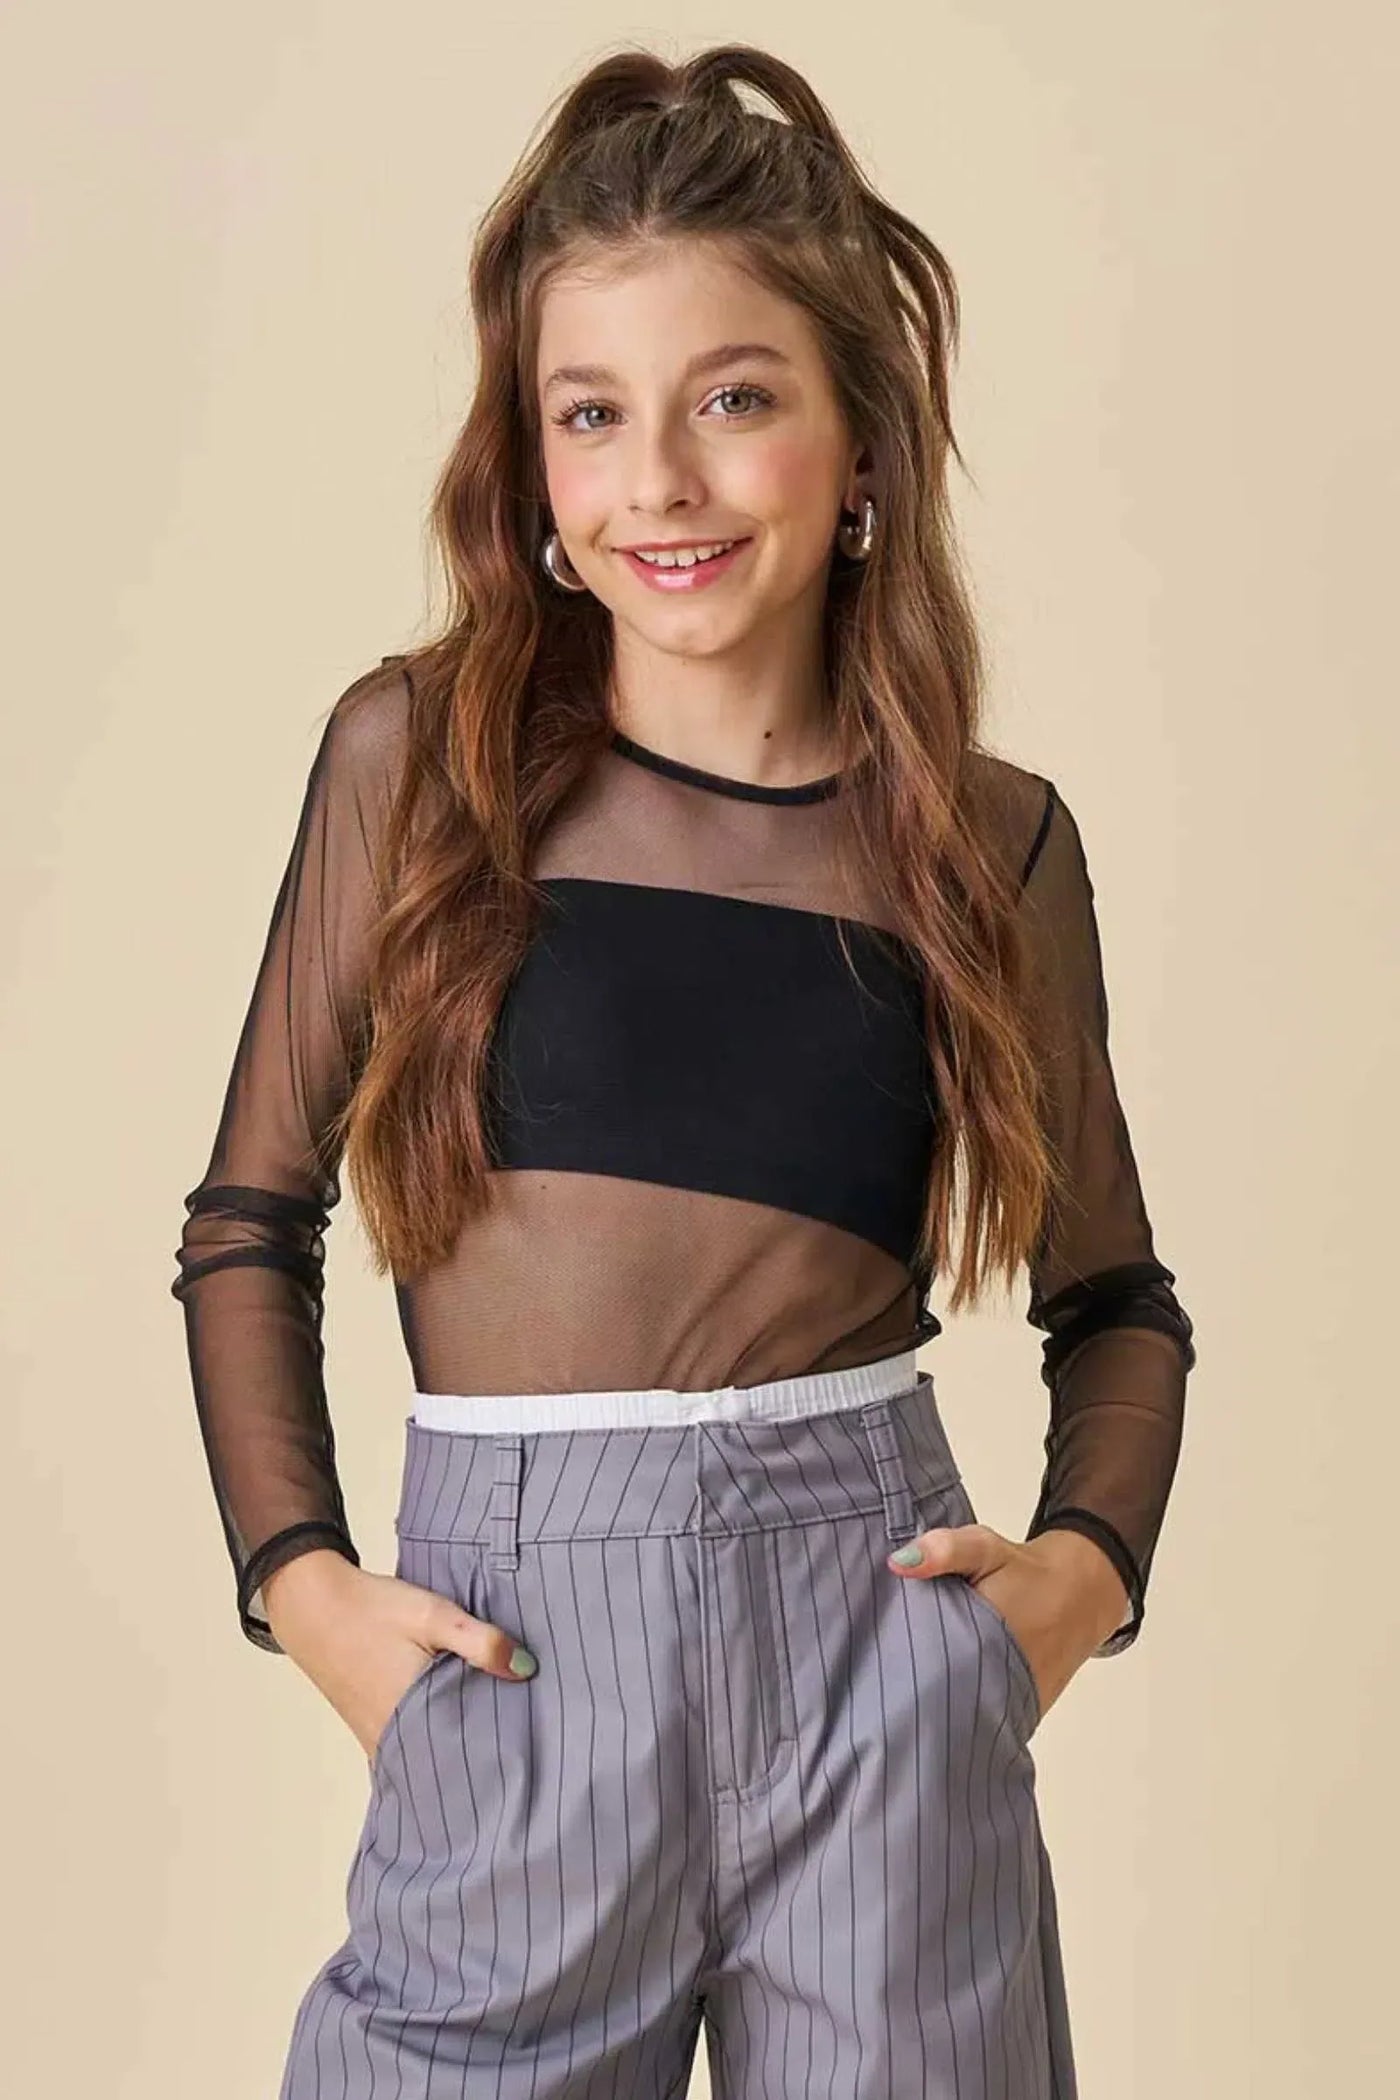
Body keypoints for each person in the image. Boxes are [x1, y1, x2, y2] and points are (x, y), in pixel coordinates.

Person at [171, 40, 1196, 2100]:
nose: (658, 481)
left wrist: (1068, 1590)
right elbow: (245, 1223)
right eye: (591, 414)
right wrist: (309, 1594)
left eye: (732, 400)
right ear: (536, 472)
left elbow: (1118, 1307)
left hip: (878, 1671)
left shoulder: (989, 847)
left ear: (858, 445)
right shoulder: (419, 770)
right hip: (517, 1672)